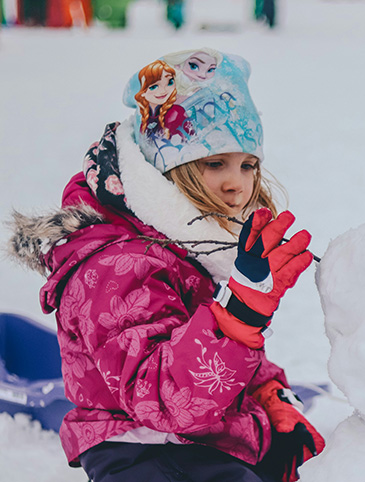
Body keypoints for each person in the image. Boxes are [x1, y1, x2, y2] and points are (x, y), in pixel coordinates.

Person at [8, 48, 324, 482]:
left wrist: (268, 392)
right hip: (148, 453)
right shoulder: (117, 265)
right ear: (166, 170)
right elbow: (162, 399)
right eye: (215, 163)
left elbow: (200, 337)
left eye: (248, 164)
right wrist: (239, 317)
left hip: (201, 442)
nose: (237, 184)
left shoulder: (187, 246)